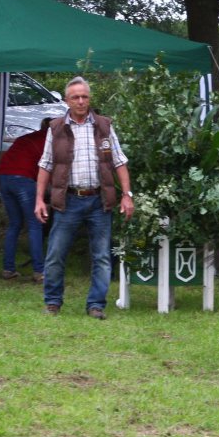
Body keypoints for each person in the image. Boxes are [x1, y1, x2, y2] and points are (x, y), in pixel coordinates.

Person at [33, 77, 134, 319]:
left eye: (84, 96)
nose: (80, 101)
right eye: (75, 97)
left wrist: (127, 195)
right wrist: (39, 199)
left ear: (89, 99)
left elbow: (119, 162)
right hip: (68, 201)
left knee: (101, 256)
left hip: (100, 200)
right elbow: (45, 165)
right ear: (67, 101)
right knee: (56, 253)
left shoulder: (104, 126)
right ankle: (53, 303)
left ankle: (96, 305)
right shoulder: (56, 128)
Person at [0, 117, 50, 281]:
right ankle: (39, 271)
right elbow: (48, 168)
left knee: (15, 224)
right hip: (23, 179)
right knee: (35, 224)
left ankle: (8, 268)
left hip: (3, 177)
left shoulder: (26, 138)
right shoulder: (48, 143)